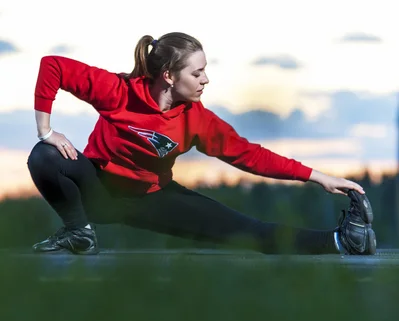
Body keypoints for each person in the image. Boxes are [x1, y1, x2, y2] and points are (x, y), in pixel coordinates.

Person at [27, 32, 376, 256]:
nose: (206, 79)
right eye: (197, 73)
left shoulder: (196, 119)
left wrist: (319, 177)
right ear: (168, 75)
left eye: (205, 70)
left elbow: (250, 156)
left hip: (152, 199)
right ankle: (78, 232)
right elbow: (52, 66)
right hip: (96, 190)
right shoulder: (118, 92)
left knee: (247, 232)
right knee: (45, 155)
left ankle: (341, 242)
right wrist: (46, 130)